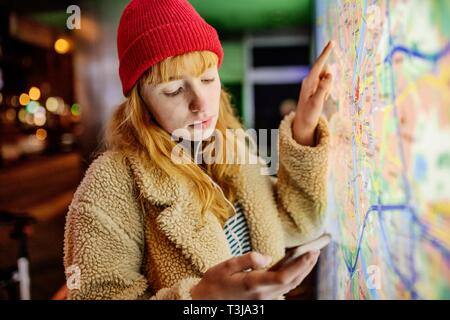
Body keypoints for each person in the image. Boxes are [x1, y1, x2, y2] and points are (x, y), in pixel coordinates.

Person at [63, 0, 334, 300]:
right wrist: (200, 300)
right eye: (174, 90)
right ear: (141, 103)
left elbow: (300, 223)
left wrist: (305, 127)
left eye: (208, 78)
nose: (202, 103)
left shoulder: (231, 147)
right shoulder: (111, 183)